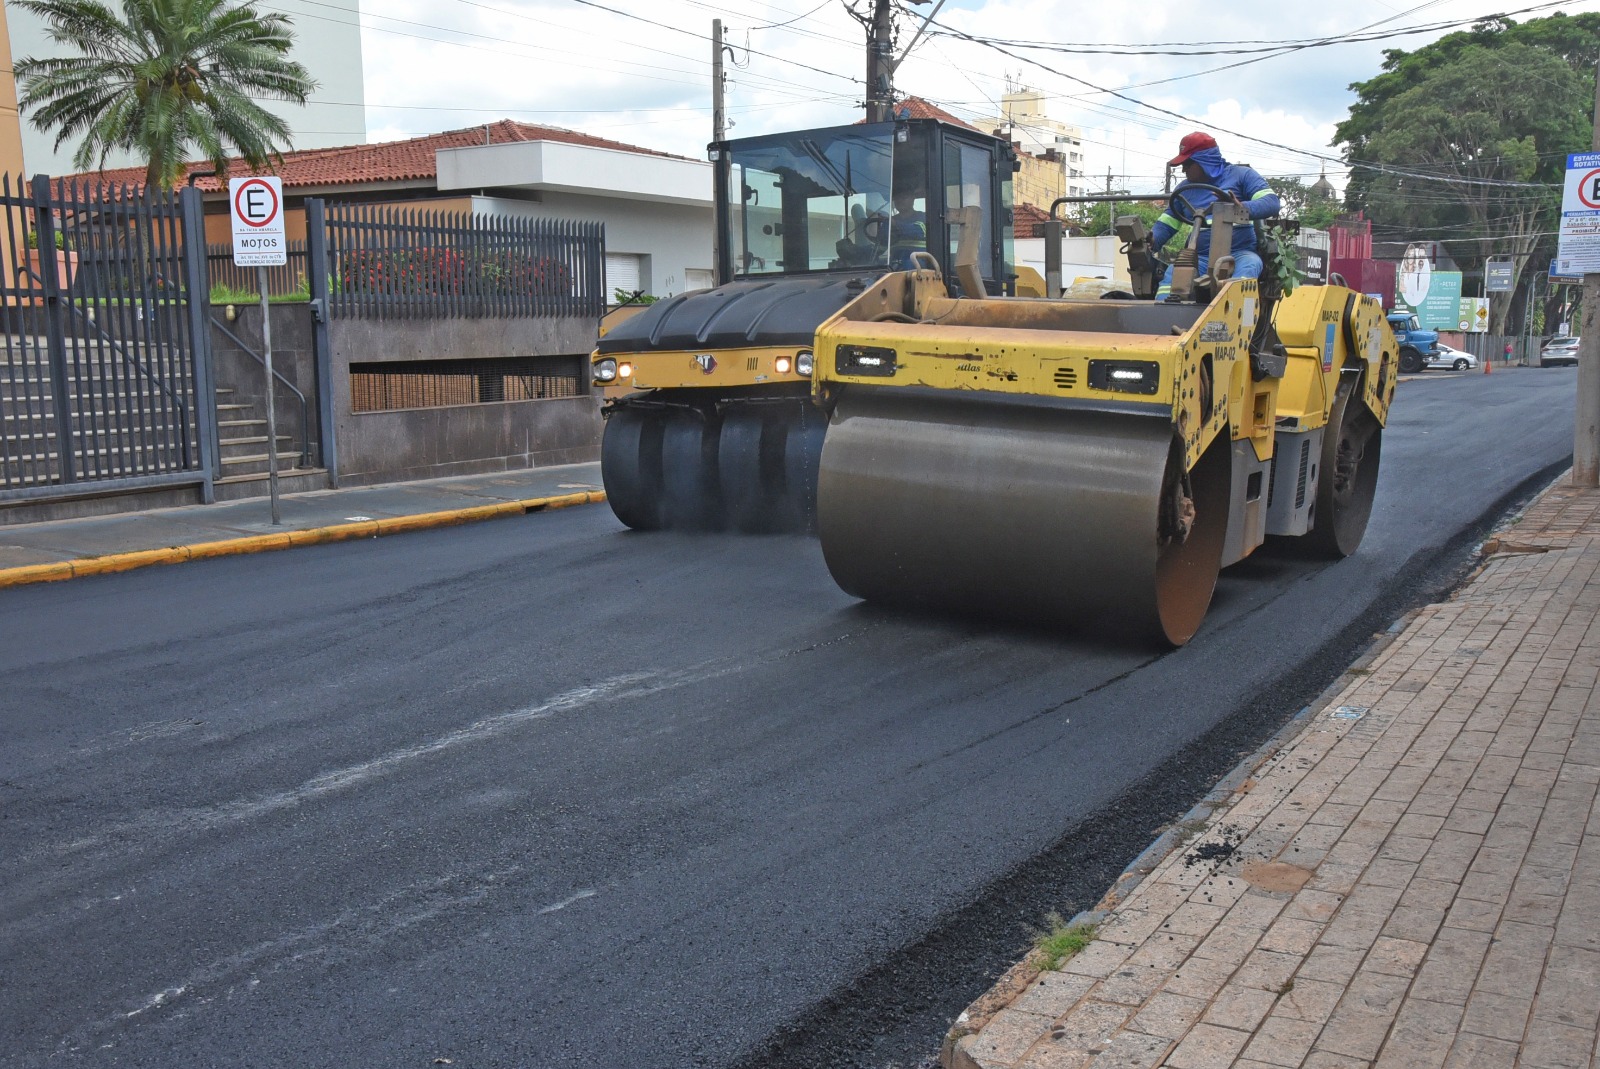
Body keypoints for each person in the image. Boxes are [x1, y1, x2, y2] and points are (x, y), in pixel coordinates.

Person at [1152, 132, 1280, 298]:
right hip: (1200, 258)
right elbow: (1167, 222)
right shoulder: (1184, 191)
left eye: (1188, 163)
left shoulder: (1242, 175)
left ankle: (1234, 319)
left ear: (1204, 161)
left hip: (1240, 254)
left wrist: (1241, 207)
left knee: (1249, 267)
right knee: (1172, 275)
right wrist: (1151, 239)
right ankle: (1162, 317)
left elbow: (1271, 202)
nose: (1183, 170)